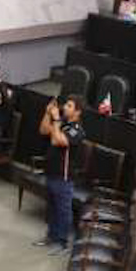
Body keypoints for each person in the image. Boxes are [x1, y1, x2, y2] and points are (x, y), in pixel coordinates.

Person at [36, 94, 88, 252]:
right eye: (65, 104)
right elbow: (44, 130)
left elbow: (57, 140)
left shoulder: (77, 131)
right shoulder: (63, 124)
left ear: (77, 112)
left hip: (63, 177)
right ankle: (51, 236)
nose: (64, 107)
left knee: (63, 211)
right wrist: (47, 113)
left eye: (69, 106)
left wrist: (56, 119)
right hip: (51, 172)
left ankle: (63, 243)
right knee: (51, 208)